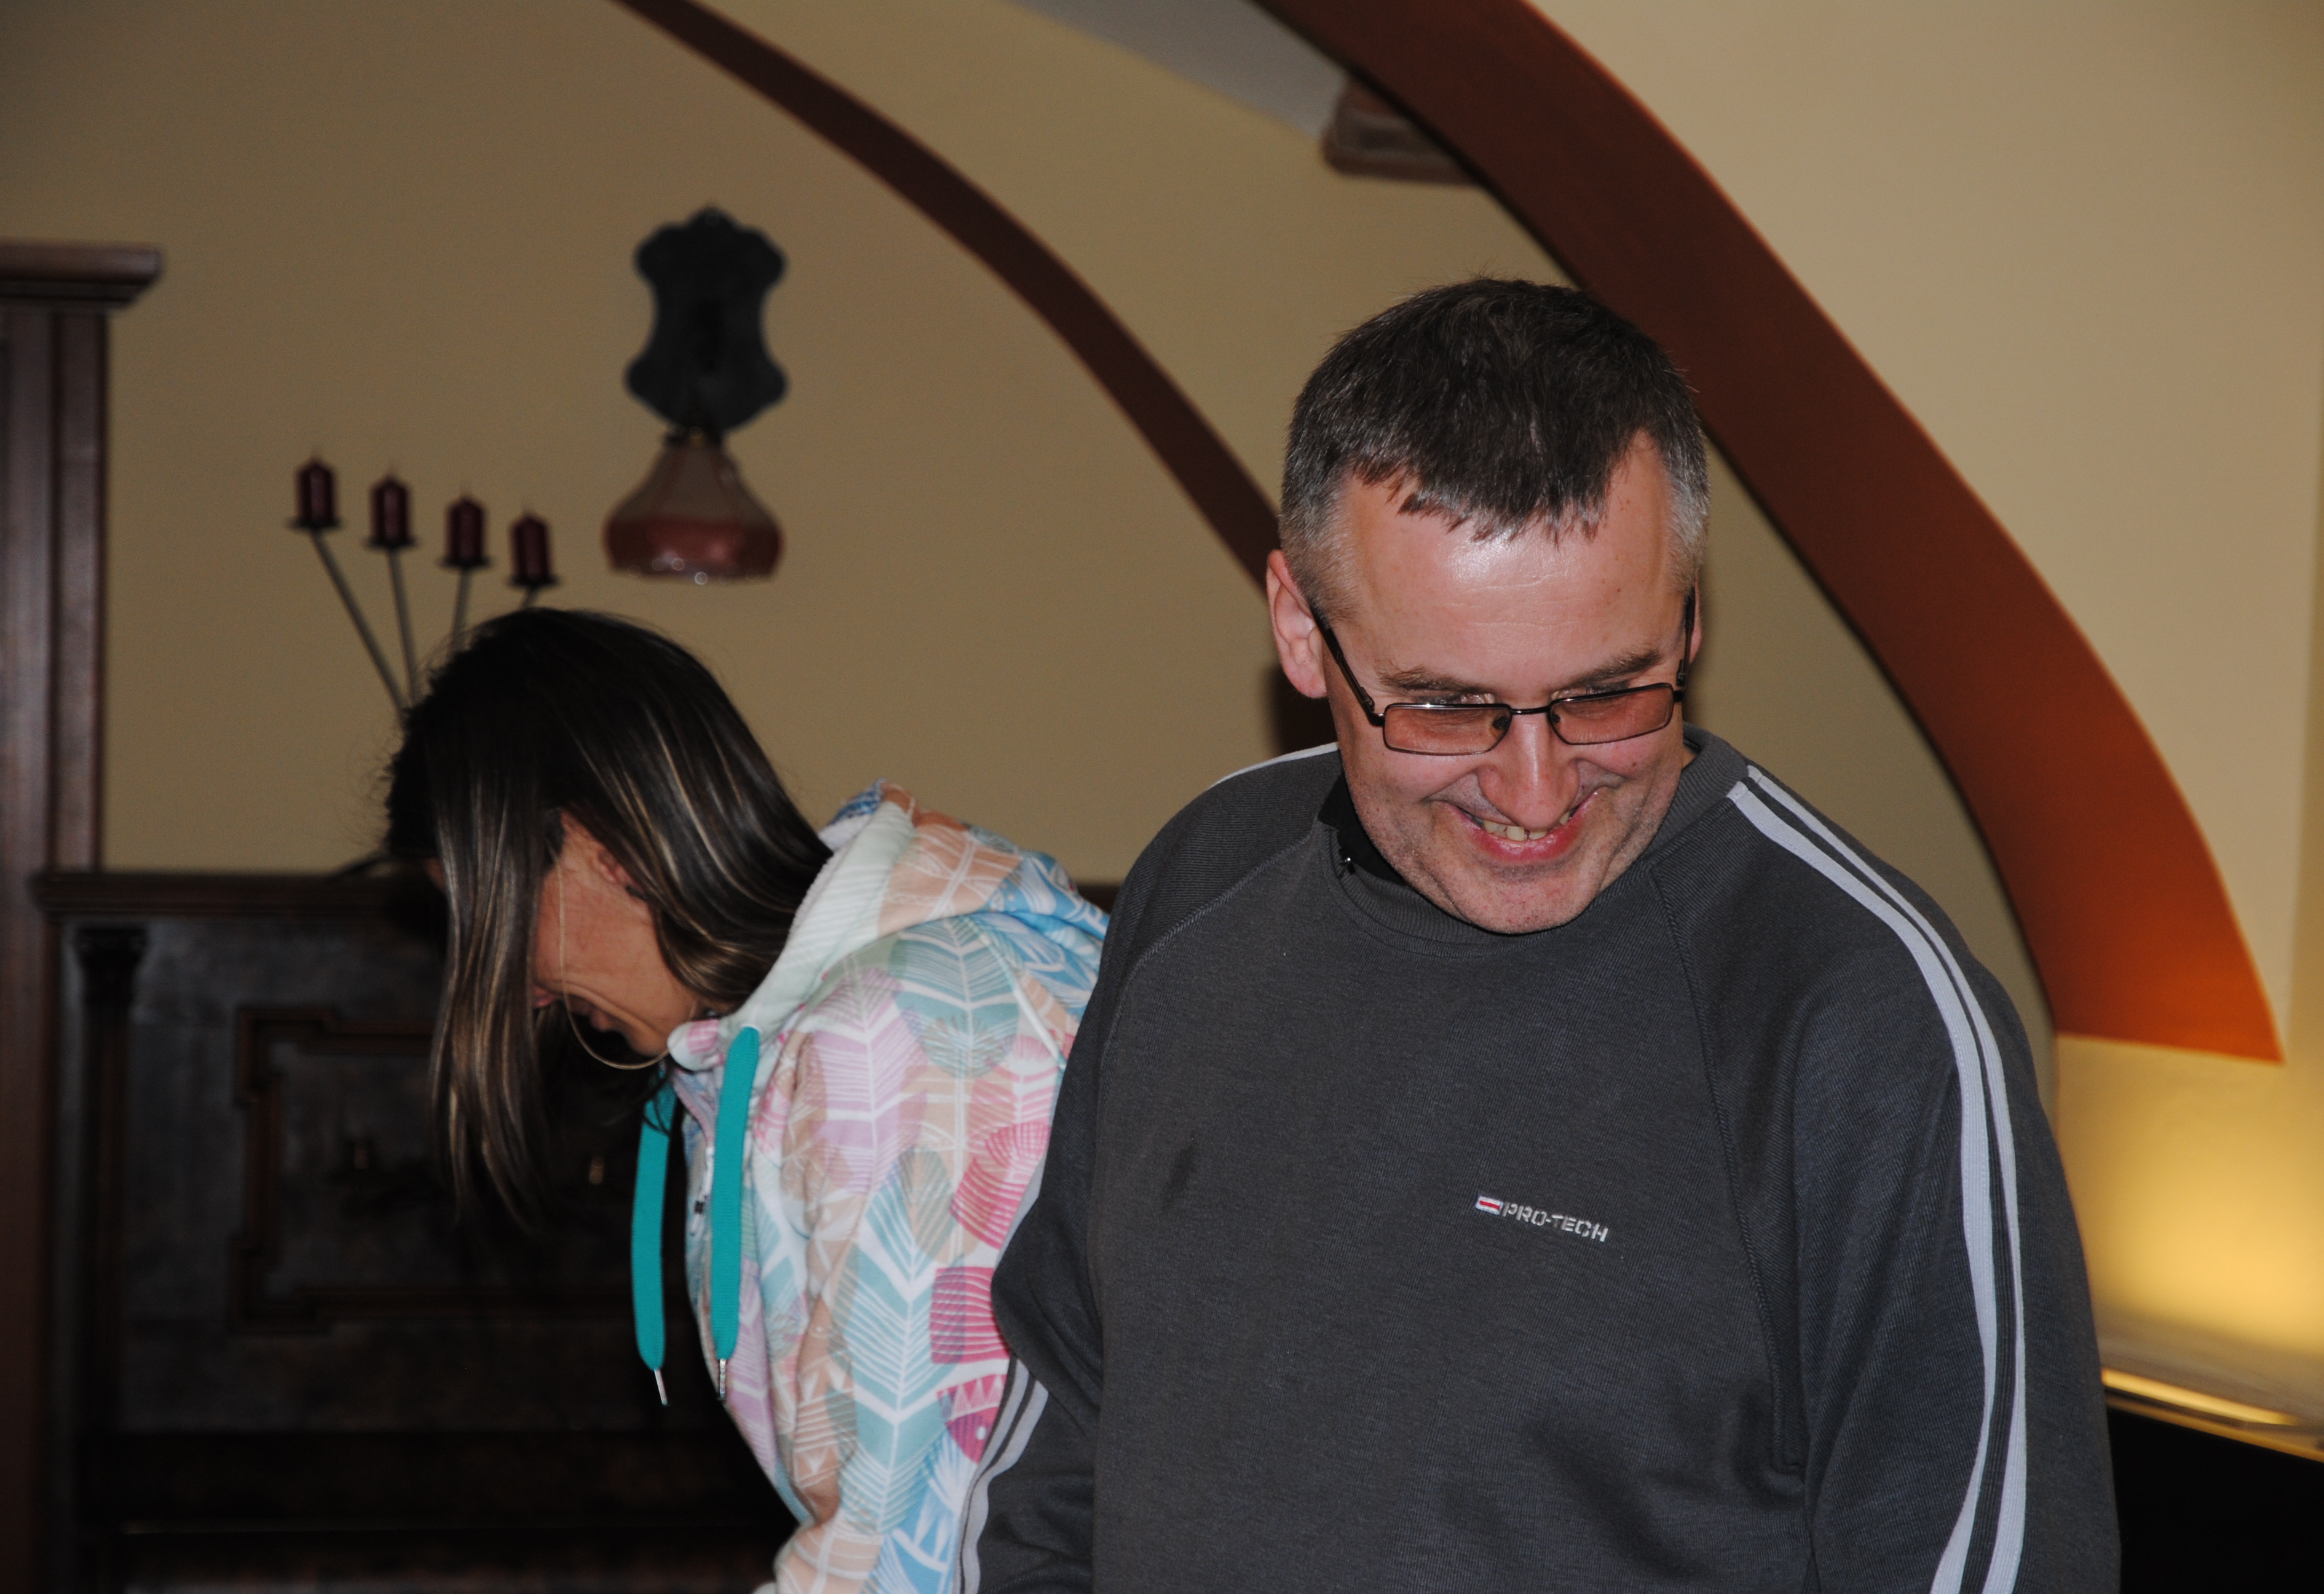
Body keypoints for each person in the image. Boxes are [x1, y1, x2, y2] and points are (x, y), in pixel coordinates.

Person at [964, 280, 2116, 1590]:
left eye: (1606, 695)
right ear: (1300, 626)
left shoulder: (1861, 1021)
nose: (1534, 793)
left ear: (1688, 620)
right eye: (1446, 708)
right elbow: (1059, 1439)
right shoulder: (1205, 876)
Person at [382, 609, 1107, 1593]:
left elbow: (925, 1552)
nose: (525, 993)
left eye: (493, 922)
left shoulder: (904, 1032)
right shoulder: (750, 1057)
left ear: (604, 844)